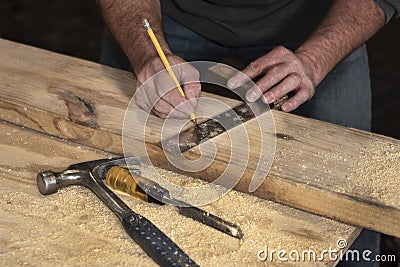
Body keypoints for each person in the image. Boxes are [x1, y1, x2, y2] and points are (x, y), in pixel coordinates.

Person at [98, 1, 399, 266]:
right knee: (116, 174)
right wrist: (148, 53)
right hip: (163, 17)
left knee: (353, 194)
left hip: (322, 22)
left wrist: (315, 58)